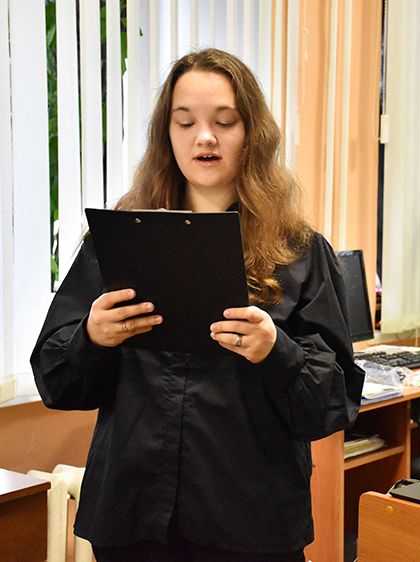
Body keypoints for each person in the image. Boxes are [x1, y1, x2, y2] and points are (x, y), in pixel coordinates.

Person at [30, 48, 364, 562]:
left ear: (252, 133)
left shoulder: (299, 252)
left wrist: (276, 351)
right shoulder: (117, 241)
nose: (204, 137)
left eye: (224, 122)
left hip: (250, 521)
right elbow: (56, 382)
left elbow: (333, 405)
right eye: (185, 122)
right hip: (133, 518)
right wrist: (91, 337)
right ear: (166, 133)